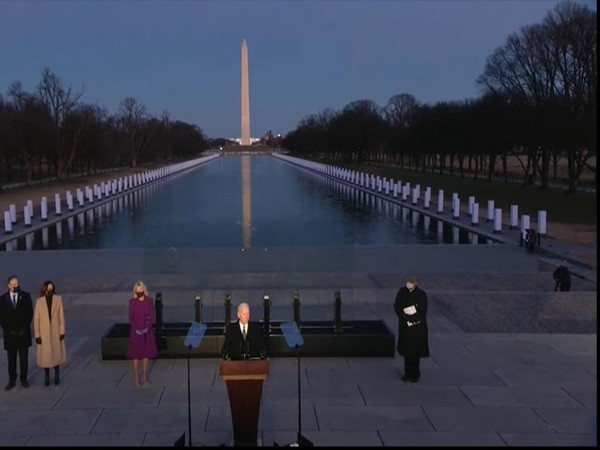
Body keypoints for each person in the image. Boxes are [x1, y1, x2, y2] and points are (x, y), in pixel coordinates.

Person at [393, 275, 429, 384]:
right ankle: (407, 373)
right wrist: (403, 316)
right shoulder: (402, 292)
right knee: (407, 352)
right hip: (405, 327)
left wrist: (412, 318)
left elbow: (422, 312)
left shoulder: (421, 295)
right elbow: (397, 306)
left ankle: (415, 374)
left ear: (416, 283)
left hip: (417, 328)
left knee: (415, 353)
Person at [0, 275, 33, 390]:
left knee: (24, 358)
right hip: (10, 335)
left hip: (23, 334)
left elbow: (29, 314)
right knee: (11, 359)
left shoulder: (26, 296)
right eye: (13, 284)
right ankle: (12, 380)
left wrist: (23, 328)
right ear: (8, 285)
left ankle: (24, 379)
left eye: (17, 283)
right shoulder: (2, 300)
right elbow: (1, 319)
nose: (16, 286)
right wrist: (9, 330)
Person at [33, 280, 66, 386]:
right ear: (45, 288)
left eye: (52, 288)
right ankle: (46, 376)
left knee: (56, 354)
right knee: (46, 357)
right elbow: (36, 319)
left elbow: (61, 316)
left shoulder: (58, 299)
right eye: (48, 287)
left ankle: (57, 375)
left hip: (55, 332)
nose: (50, 289)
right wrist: (37, 334)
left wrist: (62, 331)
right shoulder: (39, 301)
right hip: (44, 333)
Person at [126, 281, 157, 387]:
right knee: (136, 355)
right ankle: (135, 379)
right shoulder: (132, 302)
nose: (139, 292)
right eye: (137, 290)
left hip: (146, 332)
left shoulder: (149, 301)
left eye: (140, 290)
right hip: (136, 332)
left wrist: (146, 328)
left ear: (144, 289)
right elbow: (131, 318)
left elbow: (151, 317)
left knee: (145, 355)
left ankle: (144, 378)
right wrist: (136, 329)